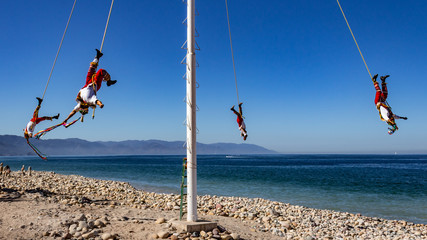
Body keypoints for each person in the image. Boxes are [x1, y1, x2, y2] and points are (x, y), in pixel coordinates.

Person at [63, 49, 117, 123]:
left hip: (87, 83)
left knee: (91, 68)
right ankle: (109, 81)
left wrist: (66, 119)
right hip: (95, 84)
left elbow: (73, 112)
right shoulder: (89, 100)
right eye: (86, 108)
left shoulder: (79, 104)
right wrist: (100, 104)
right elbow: (96, 101)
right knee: (101, 71)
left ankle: (97, 56)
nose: (85, 108)